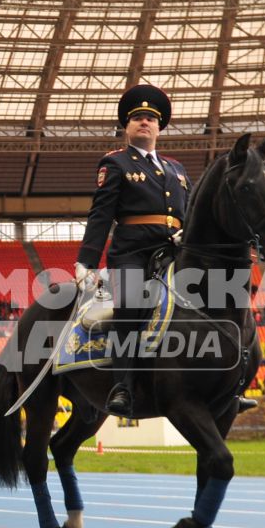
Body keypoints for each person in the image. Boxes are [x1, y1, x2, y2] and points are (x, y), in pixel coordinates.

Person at [74, 84, 189, 419]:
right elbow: (101, 214)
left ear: (159, 127)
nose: (144, 123)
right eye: (137, 118)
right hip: (132, 254)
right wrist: (86, 261)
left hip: (174, 255)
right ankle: (122, 386)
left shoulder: (177, 170)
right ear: (126, 126)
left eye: (150, 119)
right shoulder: (116, 163)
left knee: (211, 300)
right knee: (131, 305)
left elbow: (190, 213)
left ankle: (220, 386)